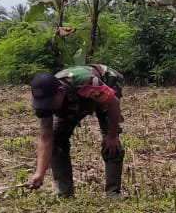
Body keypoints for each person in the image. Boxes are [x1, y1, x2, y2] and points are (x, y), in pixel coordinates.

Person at [26, 64, 125, 197]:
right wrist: (39, 173)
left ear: (60, 91)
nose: (47, 107)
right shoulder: (44, 102)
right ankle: (64, 191)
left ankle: (113, 192)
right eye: (43, 103)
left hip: (106, 83)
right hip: (73, 99)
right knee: (57, 139)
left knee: (111, 143)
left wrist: (112, 135)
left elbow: (113, 103)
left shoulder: (87, 83)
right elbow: (46, 139)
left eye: (49, 102)